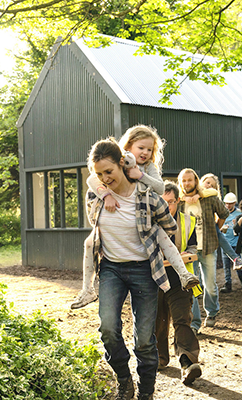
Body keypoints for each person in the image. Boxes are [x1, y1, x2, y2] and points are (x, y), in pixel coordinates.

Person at [86, 138, 176, 400]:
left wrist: (157, 239)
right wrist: (104, 191)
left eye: (109, 172)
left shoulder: (146, 195)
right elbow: (94, 224)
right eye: (99, 173)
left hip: (144, 271)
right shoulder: (96, 194)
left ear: (121, 164)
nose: (105, 177)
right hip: (111, 269)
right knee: (108, 328)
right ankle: (124, 380)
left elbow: (171, 227)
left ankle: (146, 391)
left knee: (145, 340)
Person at [71, 125, 199, 309]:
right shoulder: (118, 161)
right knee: (89, 243)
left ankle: (183, 274)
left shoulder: (148, 167)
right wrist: (105, 194)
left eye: (150, 149)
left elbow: (160, 188)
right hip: (117, 219)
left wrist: (140, 175)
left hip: (145, 214)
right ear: (129, 145)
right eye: (141, 147)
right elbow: (92, 179)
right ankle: (87, 289)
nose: (145, 152)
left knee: (163, 238)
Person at [157, 181, 202, 385]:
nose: (168, 207)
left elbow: (193, 248)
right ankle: (159, 358)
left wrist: (188, 254)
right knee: (158, 321)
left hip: (180, 280)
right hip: (154, 280)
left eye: (171, 202)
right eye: (163, 202)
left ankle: (187, 362)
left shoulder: (187, 222)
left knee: (182, 319)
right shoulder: (148, 221)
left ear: (178, 202)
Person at [178, 168, 229, 330]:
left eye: (190, 180)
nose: (187, 183)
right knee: (191, 286)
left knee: (210, 284)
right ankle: (194, 322)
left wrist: (216, 229)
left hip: (208, 247)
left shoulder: (209, 198)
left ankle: (212, 311)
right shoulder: (179, 201)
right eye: (184, 180)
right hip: (189, 251)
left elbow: (224, 213)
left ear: (195, 181)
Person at [199, 173, 242, 271]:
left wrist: (217, 226)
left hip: (209, 227)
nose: (209, 186)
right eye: (207, 182)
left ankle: (235, 259)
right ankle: (236, 258)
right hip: (196, 228)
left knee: (217, 231)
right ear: (201, 182)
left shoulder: (212, 197)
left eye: (212, 185)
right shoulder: (193, 195)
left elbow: (223, 214)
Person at [218, 192, 242, 293]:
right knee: (226, 265)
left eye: (230, 203)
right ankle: (228, 284)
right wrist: (222, 229)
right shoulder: (222, 214)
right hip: (225, 243)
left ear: (234, 203)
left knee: (238, 263)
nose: (228, 205)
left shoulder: (239, 213)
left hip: (236, 243)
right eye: (226, 203)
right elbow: (218, 226)